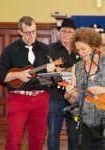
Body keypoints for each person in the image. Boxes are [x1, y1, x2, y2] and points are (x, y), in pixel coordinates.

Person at [0, 16, 55, 150]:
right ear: (20, 32)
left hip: (41, 98)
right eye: (28, 32)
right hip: (18, 98)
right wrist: (17, 75)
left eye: (34, 31)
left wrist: (51, 72)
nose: (32, 35)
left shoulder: (45, 49)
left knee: (37, 140)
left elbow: (51, 80)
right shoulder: (9, 50)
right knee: (14, 140)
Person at [65, 28, 105, 150]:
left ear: (94, 46)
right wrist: (68, 94)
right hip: (82, 125)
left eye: (83, 48)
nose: (80, 53)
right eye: (78, 49)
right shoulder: (76, 68)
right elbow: (75, 101)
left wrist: (103, 89)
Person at [47, 18, 80, 150]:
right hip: (55, 97)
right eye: (64, 31)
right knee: (53, 133)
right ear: (59, 32)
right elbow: (47, 75)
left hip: (74, 98)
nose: (66, 34)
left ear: (75, 33)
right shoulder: (50, 49)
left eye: (70, 32)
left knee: (74, 134)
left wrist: (62, 71)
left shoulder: (79, 50)